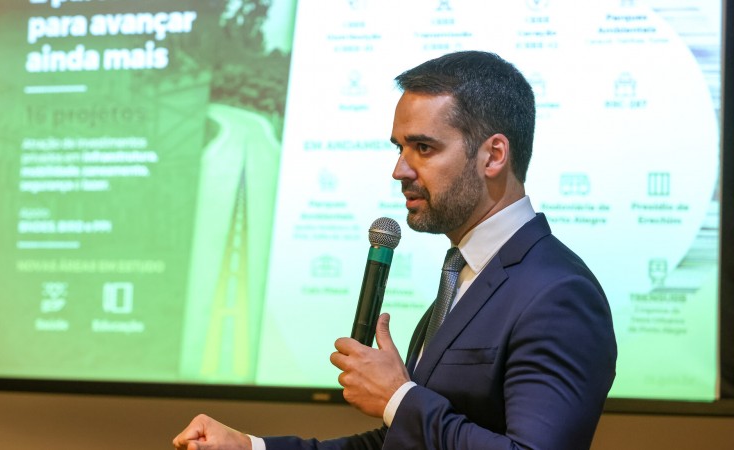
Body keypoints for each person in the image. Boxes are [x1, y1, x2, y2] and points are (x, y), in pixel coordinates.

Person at [173, 50, 617, 450]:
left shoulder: (558, 293)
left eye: (423, 147)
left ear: (493, 155)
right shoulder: (462, 274)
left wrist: (398, 399)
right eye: (400, 148)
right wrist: (251, 448)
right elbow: (401, 443)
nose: (399, 170)